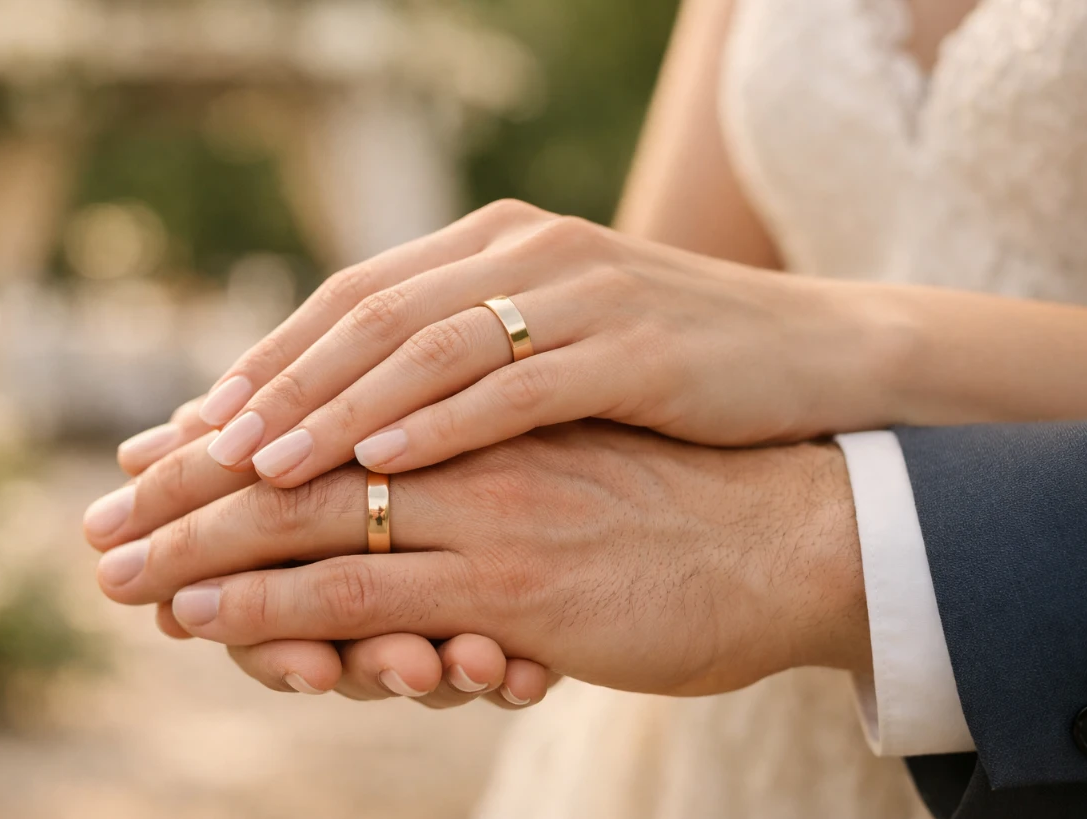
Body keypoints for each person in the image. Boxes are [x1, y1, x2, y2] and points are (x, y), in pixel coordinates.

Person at [83, 0, 1087, 816]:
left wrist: (841, 342)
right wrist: (446, 490)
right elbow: (675, 300)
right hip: (713, 717)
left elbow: (748, 321)